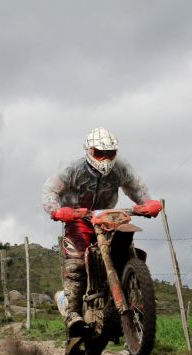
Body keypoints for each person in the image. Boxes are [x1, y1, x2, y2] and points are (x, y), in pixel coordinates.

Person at [42, 127, 162, 335]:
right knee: (76, 263)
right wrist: (57, 210)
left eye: (110, 153)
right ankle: (71, 311)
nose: (105, 159)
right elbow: (50, 189)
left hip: (110, 217)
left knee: (126, 251)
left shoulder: (121, 168)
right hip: (79, 217)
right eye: (99, 153)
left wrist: (147, 203)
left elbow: (136, 187)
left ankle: (136, 298)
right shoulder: (72, 168)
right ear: (88, 151)